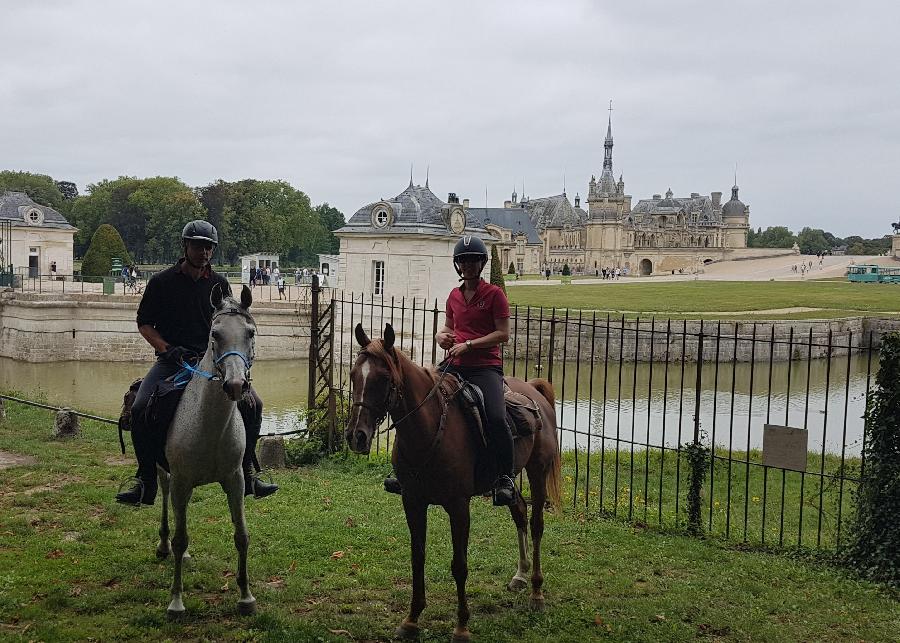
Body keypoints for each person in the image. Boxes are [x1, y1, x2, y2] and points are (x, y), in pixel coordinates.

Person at [115, 220, 278, 505]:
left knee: (255, 405)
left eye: (209, 247)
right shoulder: (161, 282)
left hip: (212, 362)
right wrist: (167, 349)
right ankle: (145, 479)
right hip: (172, 361)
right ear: (185, 246)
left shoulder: (220, 283)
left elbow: (227, 323)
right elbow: (144, 324)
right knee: (141, 407)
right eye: (198, 245)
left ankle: (248, 470)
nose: (204, 252)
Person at [385, 236, 515, 506]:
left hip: (484, 368)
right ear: (457, 265)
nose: (468, 265)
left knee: (496, 416)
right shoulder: (454, 296)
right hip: (454, 364)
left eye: (473, 260)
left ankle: (504, 477)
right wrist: (439, 336)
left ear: (481, 264)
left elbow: (503, 335)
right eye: (463, 261)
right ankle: (406, 470)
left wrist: (469, 344)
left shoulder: (495, 295)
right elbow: (447, 327)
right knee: (418, 401)